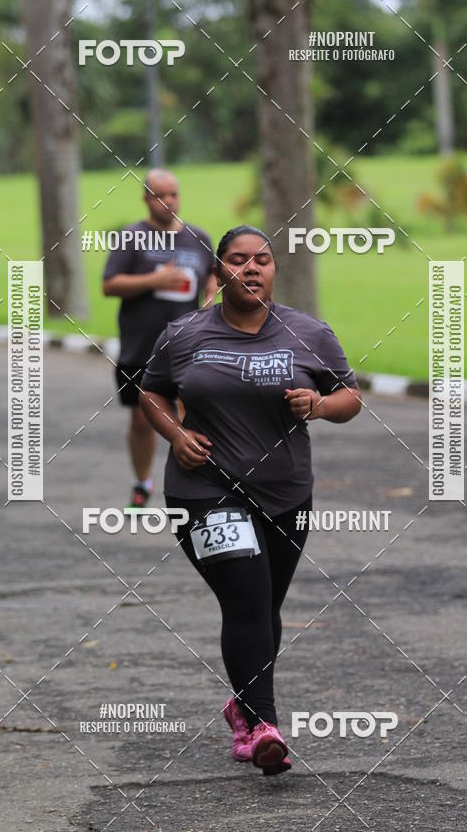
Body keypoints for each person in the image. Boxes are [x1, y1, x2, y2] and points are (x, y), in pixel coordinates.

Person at [140, 225, 361, 775]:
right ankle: (262, 727)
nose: (251, 268)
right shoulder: (184, 333)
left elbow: (349, 396)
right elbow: (151, 391)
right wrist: (176, 435)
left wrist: (319, 405)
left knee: (264, 607)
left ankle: (243, 705)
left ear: (274, 270)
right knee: (245, 597)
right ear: (219, 273)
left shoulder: (308, 332)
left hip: (286, 492)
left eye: (261, 259)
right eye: (238, 260)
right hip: (204, 490)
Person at [102, 169, 217, 510]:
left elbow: (212, 274)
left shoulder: (198, 237)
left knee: (189, 416)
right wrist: (154, 279)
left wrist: (211, 296)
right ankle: (142, 482)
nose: (168, 201)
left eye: (173, 194)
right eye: (159, 195)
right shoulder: (131, 237)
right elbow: (110, 285)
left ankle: (195, 485)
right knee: (142, 419)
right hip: (140, 347)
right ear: (146, 199)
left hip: (187, 348)